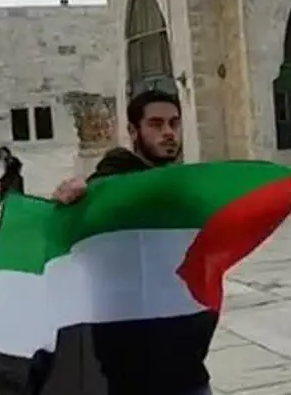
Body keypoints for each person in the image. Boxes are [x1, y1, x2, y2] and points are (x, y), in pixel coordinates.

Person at [48, 89, 212, 395]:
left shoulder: (182, 189)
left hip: (187, 361)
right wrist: (69, 203)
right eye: (156, 124)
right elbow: (68, 239)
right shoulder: (110, 186)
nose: (168, 133)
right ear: (134, 131)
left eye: (174, 123)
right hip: (132, 365)